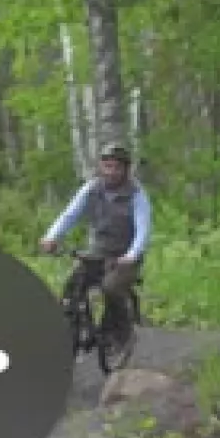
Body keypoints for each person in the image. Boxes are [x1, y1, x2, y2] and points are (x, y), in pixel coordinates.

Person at [38, 142, 153, 344]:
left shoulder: (136, 194)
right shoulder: (91, 189)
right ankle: (72, 329)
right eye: (107, 166)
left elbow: (143, 229)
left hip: (124, 254)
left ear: (126, 169)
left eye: (116, 167)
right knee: (73, 287)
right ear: (100, 167)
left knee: (110, 287)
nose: (111, 172)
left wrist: (132, 254)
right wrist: (52, 236)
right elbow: (70, 215)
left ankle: (119, 329)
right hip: (98, 250)